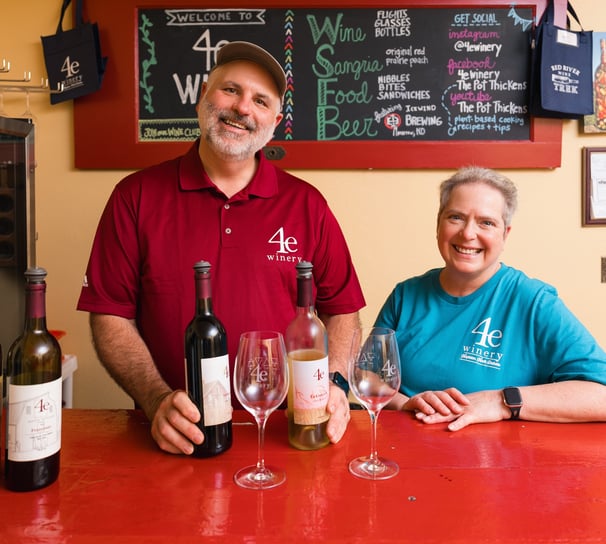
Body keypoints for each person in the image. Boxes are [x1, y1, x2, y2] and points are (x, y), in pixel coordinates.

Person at [77, 42, 365, 454]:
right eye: (231, 90)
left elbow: (342, 309)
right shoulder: (134, 197)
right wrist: (156, 399)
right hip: (177, 437)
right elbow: (110, 314)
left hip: (287, 436)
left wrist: (334, 385)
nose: (243, 108)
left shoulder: (308, 205)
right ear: (202, 99)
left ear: (276, 120)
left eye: (260, 100)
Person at [375, 166, 606, 430]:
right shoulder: (405, 295)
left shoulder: (534, 302)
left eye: (486, 222)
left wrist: (501, 401)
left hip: (496, 463)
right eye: (456, 217)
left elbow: (601, 394)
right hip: (404, 455)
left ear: (505, 234)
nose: (468, 234)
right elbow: (372, 380)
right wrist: (406, 403)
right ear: (438, 224)